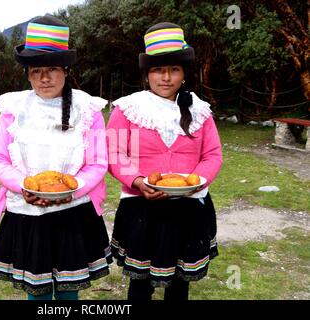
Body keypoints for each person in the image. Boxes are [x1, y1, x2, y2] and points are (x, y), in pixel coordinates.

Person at [0, 15, 112, 300]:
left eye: (53, 69)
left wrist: (71, 190)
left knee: (69, 291)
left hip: (73, 214)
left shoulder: (88, 109)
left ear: (66, 70)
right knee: (38, 291)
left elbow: (97, 163)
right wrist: (25, 186)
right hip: (28, 215)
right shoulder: (13, 109)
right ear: (28, 74)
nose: (44, 78)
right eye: (36, 70)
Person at [107, 22, 223, 300]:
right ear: (148, 74)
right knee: (140, 284)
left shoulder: (199, 110)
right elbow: (114, 153)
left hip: (189, 208)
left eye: (174, 69)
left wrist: (198, 181)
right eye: (159, 70)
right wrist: (136, 181)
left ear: (183, 73)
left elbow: (212, 155)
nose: (166, 77)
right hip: (142, 209)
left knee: (180, 284)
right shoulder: (128, 109)